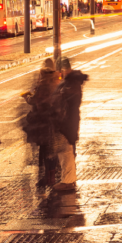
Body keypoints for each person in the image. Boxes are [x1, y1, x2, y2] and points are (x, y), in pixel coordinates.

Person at [51, 58, 88, 192]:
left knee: (66, 151)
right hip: (68, 121)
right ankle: (68, 179)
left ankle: (68, 181)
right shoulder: (69, 82)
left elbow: (65, 103)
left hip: (67, 122)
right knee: (66, 151)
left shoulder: (70, 84)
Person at [24, 59, 59, 187]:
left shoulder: (43, 86)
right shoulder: (56, 83)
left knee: (46, 150)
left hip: (43, 122)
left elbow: (33, 100)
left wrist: (26, 97)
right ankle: (51, 176)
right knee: (52, 149)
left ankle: (48, 177)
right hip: (54, 121)